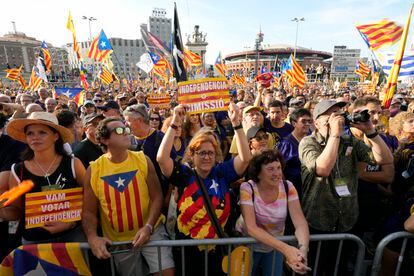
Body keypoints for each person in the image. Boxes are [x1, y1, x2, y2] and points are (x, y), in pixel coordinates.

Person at [299, 99, 393, 274]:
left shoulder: (349, 142)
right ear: (317, 121)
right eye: (331, 114)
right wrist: (334, 135)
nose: (337, 117)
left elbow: (385, 160)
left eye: (339, 113)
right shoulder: (308, 142)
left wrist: (371, 132)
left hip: (347, 220)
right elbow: (322, 169)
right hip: (319, 220)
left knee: (340, 269)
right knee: (317, 269)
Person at [157, 103, 251, 276]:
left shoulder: (222, 173)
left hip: (216, 251)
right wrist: (174, 123)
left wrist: (237, 124)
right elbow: (162, 158)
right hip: (187, 252)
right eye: (201, 153)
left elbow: (245, 159)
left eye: (210, 153)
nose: (207, 157)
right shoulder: (185, 174)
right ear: (192, 155)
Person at [82, 117, 174, 276]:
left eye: (125, 128)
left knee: (166, 272)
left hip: (152, 232)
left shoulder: (142, 159)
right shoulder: (94, 169)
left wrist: (148, 227)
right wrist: (92, 237)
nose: (126, 132)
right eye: (118, 130)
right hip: (119, 242)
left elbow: (157, 196)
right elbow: (89, 211)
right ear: (104, 139)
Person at [1, 112, 86, 244]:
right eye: (30, 133)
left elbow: (90, 200)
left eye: (42, 132)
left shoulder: (73, 164)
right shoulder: (17, 171)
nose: (35, 137)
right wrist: (2, 211)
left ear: (55, 136)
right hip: (34, 242)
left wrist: (71, 223)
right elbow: (17, 210)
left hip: (72, 238)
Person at [237, 150, 310, 275]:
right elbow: (252, 228)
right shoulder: (247, 188)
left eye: (278, 168)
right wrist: (286, 249)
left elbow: (300, 222)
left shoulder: (288, 187)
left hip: (274, 248)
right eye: (270, 169)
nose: (277, 173)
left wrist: (302, 250)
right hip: (247, 246)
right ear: (258, 173)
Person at [278, 108, 312, 197]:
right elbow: (279, 168)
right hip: (293, 190)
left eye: (309, 121)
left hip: (310, 188)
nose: (307, 124)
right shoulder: (286, 144)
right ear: (294, 123)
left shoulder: (311, 139)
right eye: (303, 121)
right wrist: (285, 189)